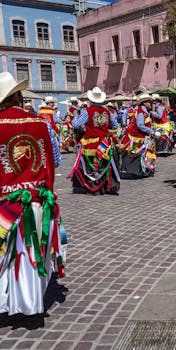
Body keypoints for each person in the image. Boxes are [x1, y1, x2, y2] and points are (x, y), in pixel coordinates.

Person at [0, 72, 67, 316]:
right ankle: (28, 303)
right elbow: (56, 159)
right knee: (31, 256)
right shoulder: (41, 123)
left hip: (4, 205)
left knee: (5, 257)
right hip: (38, 199)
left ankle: (5, 302)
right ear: (18, 96)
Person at [69, 87, 120, 195]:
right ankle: (105, 186)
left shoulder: (87, 111)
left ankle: (93, 186)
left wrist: (75, 117)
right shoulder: (107, 111)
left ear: (91, 99)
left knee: (89, 166)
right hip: (104, 143)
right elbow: (115, 125)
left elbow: (76, 124)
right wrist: (106, 131)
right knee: (103, 165)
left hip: (91, 143)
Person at [120, 93, 156, 178]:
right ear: (144, 103)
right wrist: (150, 130)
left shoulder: (145, 112)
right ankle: (136, 171)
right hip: (136, 137)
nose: (151, 104)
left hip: (141, 136)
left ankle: (143, 170)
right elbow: (140, 125)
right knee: (136, 154)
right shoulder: (141, 112)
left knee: (142, 154)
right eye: (149, 102)